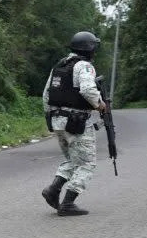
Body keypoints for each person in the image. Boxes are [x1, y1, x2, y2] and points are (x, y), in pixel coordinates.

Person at [41, 31, 108, 216]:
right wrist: (100, 105)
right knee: (87, 163)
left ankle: (53, 190)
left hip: (57, 121)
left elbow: (46, 95)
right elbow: (87, 89)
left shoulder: (59, 65)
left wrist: (51, 118)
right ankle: (68, 203)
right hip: (76, 122)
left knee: (72, 160)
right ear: (90, 48)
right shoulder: (84, 66)